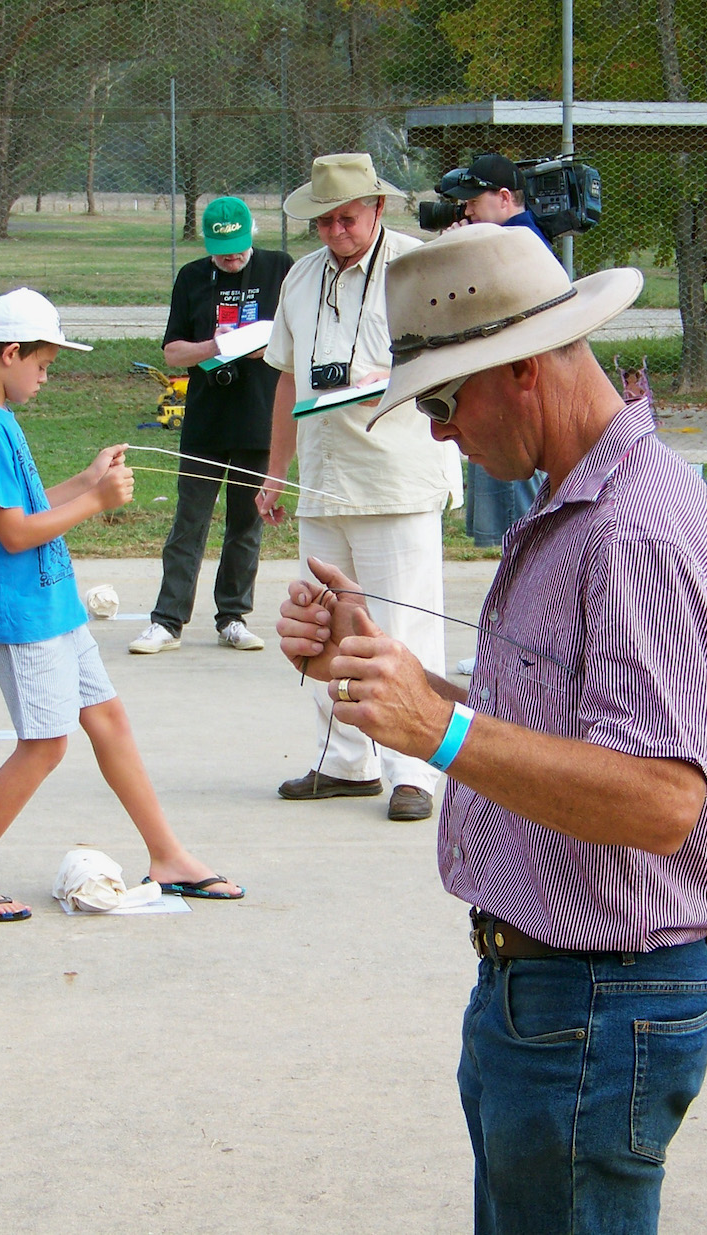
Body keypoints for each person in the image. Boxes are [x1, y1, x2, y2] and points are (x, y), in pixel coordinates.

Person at [275, 225, 707, 1233]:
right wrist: (378, 669)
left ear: (524, 369)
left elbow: (662, 796)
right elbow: (554, 723)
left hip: (595, 1004)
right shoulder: (574, 508)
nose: (442, 434)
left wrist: (442, 729)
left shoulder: (634, 531)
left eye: (446, 400)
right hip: (548, 997)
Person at [0, 287, 244, 922]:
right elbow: (13, 533)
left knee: (108, 719)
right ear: (10, 353)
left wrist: (88, 481)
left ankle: (168, 856)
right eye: (41, 366)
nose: (44, 377)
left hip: (52, 603)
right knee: (44, 745)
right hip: (21, 612)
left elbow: (25, 502)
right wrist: (98, 503)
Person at [257, 152, 453, 823]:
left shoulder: (417, 266)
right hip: (325, 476)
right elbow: (286, 376)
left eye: (348, 217)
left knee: (405, 626)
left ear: (377, 208)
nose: (336, 230)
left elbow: (448, 366)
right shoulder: (301, 278)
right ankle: (344, 760)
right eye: (324, 220)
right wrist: (275, 468)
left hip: (398, 477)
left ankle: (415, 769)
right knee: (323, 622)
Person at [129, 197, 293, 654]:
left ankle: (233, 617)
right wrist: (211, 347)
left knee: (246, 523)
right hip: (206, 420)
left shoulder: (280, 268)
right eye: (223, 251)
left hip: (258, 417)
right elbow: (172, 353)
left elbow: (302, 332)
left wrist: (269, 346)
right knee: (189, 522)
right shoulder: (193, 277)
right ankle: (167, 620)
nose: (232, 258)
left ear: (252, 235)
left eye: (239, 249)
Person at [449, 153, 547, 548]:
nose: (467, 211)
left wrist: (460, 253)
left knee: (520, 531)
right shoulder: (505, 239)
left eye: (474, 202)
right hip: (505, 394)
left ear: (505, 198)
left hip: (513, 399)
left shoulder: (517, 243)